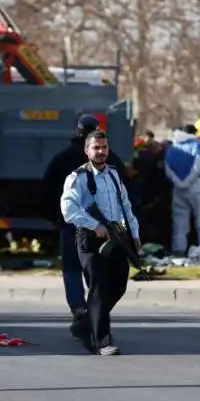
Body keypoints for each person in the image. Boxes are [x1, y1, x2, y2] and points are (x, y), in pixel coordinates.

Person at [42, 114, 130, 337]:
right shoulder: (111, 161)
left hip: (71, 226)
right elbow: (126, 192)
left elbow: (48, 189)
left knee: (72, 269)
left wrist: (54, 217)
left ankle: (80, 310)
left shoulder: (62, 159)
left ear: (77, 131)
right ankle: (95, 312)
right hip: (99, 230)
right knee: (97, 274)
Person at [61, 130, 141, 355]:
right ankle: (101, 341)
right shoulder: (78, 177)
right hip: (90, 238)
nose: (101, 152)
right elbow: (69, 210)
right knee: (99, 288)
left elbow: (126, 206)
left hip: (115, 236)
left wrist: (134, 235)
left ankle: (84, 323)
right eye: (96, 147)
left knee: (119, 284)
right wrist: (93, 225)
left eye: (104, 147)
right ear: (87, 150)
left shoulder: (113, 174)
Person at [164, 125, 200, 254]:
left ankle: (179, 249)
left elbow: (168, 169)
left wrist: (179, 182)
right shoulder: (198, 145)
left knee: (179, 221)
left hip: (178, 189)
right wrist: (187, 181)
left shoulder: (172, 147)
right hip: (196, 187)